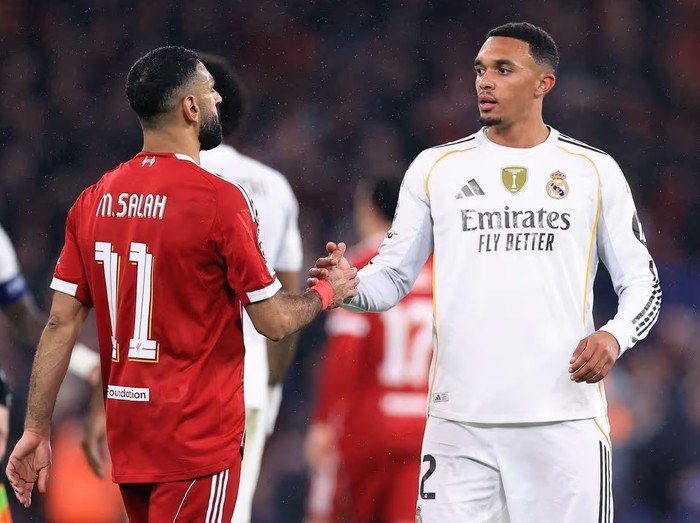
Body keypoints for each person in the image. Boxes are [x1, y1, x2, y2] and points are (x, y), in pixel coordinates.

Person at [310, 22, 661, 522]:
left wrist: (614, 336)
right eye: (480, 70)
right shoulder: (435, 168)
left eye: (503, 69)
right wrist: (351, 287)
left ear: (543, 83)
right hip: (459, 425)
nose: (485, 81)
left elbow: (643, 284)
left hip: (562, 421)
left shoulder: (593, 170)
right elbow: (392, 278)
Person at [5, 46, 358, 523]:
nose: (218, 97)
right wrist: (328, 290)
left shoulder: (94, 199)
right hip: (196, 443)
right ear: (190, 107)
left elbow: (59, 324)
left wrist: (35, 428)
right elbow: (273, 321)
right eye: (209, 89)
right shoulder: (220, 200)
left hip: (132, 438)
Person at [199, 52, 303, 523]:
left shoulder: (154, 182)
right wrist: (271, 387)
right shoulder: (273, 186)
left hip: (175, 384)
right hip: (248, 384)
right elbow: (287, 298)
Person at [305, 178, 433, 523]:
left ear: (368, 210)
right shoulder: (440, 269)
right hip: (424, 427)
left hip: (367, 426)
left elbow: (344, 353)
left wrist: (323, 421)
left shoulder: (359, 267)